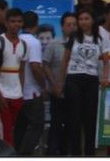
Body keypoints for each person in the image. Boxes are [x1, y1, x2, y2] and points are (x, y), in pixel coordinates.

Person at [62, 7, 109, 155]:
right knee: (74, 120)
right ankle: (75, 154)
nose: (83, 22)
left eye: (86, 18)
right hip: (73, 78)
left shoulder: (99, 38)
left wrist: (105, 78)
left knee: (90, 120)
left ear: (92, 20)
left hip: (91, 80)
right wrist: (60, 82)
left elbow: (107, 62)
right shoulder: (73, 37)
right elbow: (65, 60)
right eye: (80, 19)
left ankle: (89, 154)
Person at [0, 7, 26, 144]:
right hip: (1, 94)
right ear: (6, 23)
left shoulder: (24, 44)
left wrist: (21, 92)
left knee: (9, 129)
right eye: (12, 21)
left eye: (19, 21)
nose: (16, 24)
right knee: (3, 130)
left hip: (17, 94)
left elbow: (22, 70)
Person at [42, 12, 75, 156]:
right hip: (57, 90)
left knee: (71, 125)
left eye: (74, 24)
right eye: (69, 24)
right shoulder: (54, 44)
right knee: (56, 124)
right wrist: (54, 84)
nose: (72, 27)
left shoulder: (80, 44)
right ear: (62, 27)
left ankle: (66, 153)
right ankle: (51, 153)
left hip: (74, 91)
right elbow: (45, 65)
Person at [14, 10, 46, 154]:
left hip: (17, 91)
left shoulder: (17, 40)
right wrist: (43, 86)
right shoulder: (34, 42)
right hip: (32, 92)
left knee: (20, 127)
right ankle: (25, 154)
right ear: (36, 25)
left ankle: (15, 152)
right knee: (36, 126)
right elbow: (35, 67)